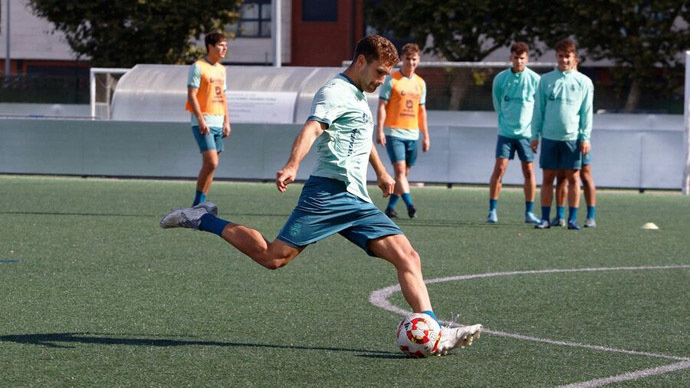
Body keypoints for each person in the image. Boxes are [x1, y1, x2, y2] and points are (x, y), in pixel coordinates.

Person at [161, 35, 482, 355]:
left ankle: (436, 332)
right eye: (381, 72)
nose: (384, 80)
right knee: (272, 257)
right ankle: (203, 218)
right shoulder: (334, 91)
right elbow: (313, 128)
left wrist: (382, 173)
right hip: (326, 195)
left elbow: (360, 135)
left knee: (408, 256)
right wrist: (292, 164)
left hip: (356, 199)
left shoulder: (358, 95)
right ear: (360, 62)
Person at [530, 38, 593, 230]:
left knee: (574, 178)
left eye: (567, 56)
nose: (564, 60)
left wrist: (585, 137)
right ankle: (545, 218)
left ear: (574, 58)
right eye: (560, 56)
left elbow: (586, 112)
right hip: (549, 137)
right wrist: (534, 135)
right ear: (555, 57)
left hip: (572, 138)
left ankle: (572, 219)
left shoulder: (584, 82)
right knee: (548, 178)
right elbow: (538, 110)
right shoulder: (545, 80)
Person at [486, 42, 541, 224]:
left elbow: (538, 107)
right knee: (499, 169)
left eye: (522, 58)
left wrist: (535, 134)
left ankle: (529, 212)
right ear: (511, 58)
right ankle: (492, 210)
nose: (519, 61)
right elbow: (497, 104)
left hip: (526, 134)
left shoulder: (535, 79)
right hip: (506, 133)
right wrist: (505, 123)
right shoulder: (501, 79)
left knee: (528, 171)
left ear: (527, 59)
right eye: (516, 58)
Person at [376, 43, 430, 219]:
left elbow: (422, 111)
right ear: (402, 59)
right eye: (408, 59)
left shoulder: (420, 83)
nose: (411, 63)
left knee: (404, 176)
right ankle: (410, 206)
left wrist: (425, 136)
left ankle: (390, 208)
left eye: (414, 59)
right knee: (400, 173)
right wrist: (380, 130)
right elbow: (382, 106)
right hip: (394, 133)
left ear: (418, 60)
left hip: (412, 134)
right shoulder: (391, 79)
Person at [186, 31, 231, 207]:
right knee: (211, 162)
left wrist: (227, 121)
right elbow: (192, 95)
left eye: (226, 45)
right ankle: (198, 202)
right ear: (210, 46)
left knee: (213, 165)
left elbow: (223, 97)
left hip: (218, 122)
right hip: (203, 122)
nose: (225, 48)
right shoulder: (198, 67)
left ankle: (201, 203)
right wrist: (200, 119)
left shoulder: (221, 69)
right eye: (221, 45)